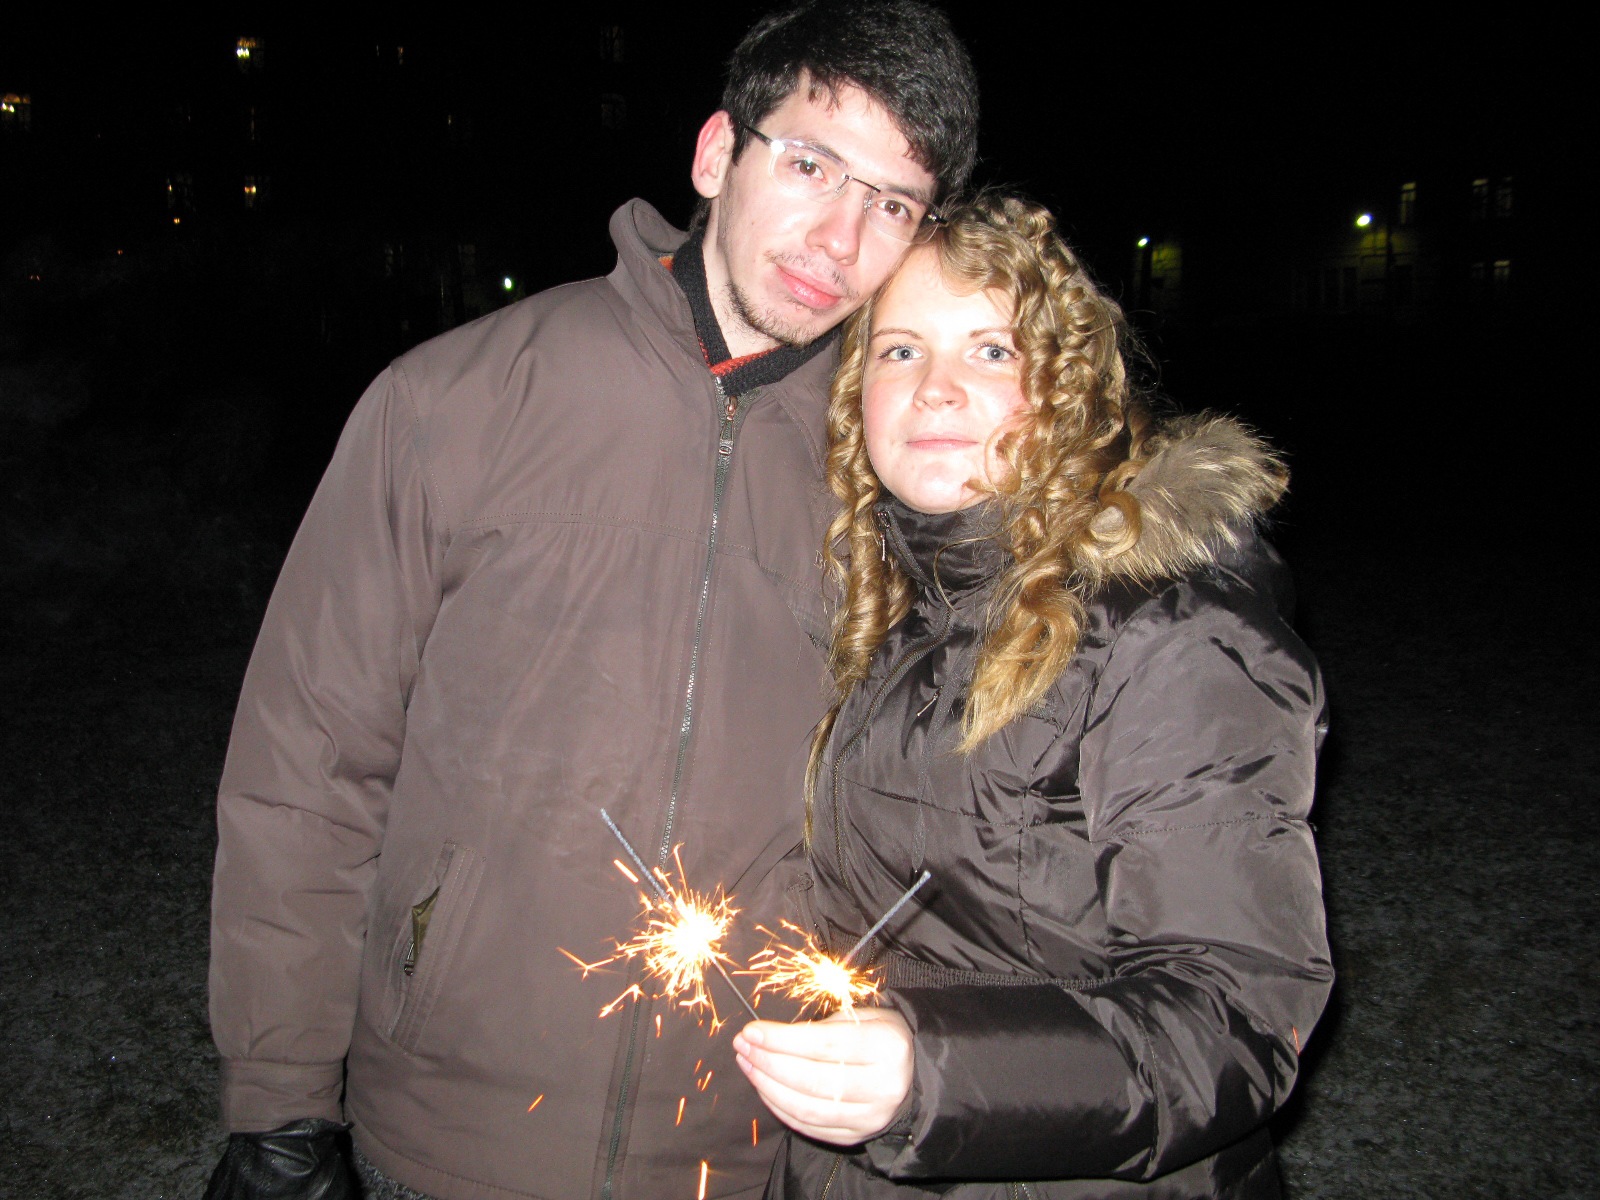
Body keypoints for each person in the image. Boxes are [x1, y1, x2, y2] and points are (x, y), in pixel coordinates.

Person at [202, 7, 979, 1199]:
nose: (839, 236)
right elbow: (306, 768)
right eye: (811, 165)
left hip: (741, 1145)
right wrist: (280, 1104)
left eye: (892, 204)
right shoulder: (455, 400)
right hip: (447, 1135)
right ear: (717, 154)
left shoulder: (896, 476)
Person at [732, 194, 1333, 1199]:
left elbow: (1234, 1018)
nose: (934, 390)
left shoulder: (1172, 637)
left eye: (991, 352)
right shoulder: (889, 611)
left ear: (1067, 388)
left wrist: (931, 1078)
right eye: (900, 351)